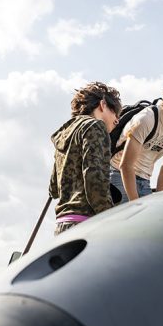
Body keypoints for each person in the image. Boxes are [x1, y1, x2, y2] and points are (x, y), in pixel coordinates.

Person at [49, 81, 122, 235]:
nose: (117, 120)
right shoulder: (95, 127)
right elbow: (94, 178)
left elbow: (54, 189)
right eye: (115, 112)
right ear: (102, 105)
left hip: (63, 224)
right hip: (87, 224)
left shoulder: (65, 134)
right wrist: (111, 217)